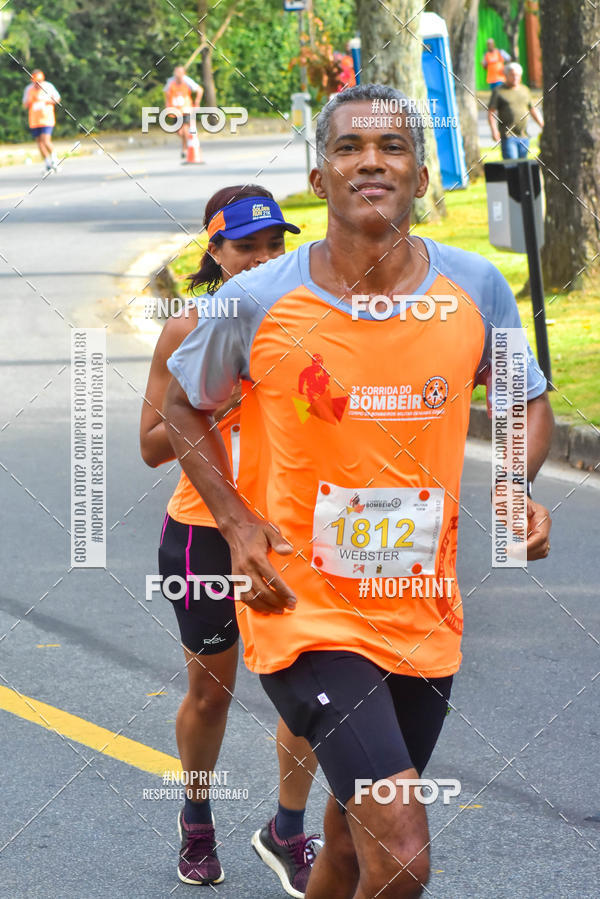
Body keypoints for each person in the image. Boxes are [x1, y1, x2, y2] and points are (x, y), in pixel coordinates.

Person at [164, 82, 554, 897]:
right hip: (300, 607)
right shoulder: (255, 300)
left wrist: (514, 482)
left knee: (347, 843)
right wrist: (235, 524)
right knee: (403, 848)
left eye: (392, 148)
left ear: (419, 176)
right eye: (348, 147)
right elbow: (180, 405)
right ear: (320, 178)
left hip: (422, 610)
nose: (370, 162)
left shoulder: (476, 289)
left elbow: (521, 401)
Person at [140, 184, 320, 893]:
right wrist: (228, 395)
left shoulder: (308, 321)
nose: (262, 259)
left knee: (312, 691)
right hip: (203, 537)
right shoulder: (189, 328)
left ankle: (288, 827)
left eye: (275, 245)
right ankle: (196, 819)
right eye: (246, 246)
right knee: (211, 694)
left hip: (287, 535)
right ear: (214, 251)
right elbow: (154, 443)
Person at [488, 62, 544, 160]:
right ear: (506, 75)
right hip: (508, 136)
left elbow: (533, 110)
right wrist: (494, 130)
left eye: (517, 75)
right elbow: (491, 112)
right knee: (512, 166)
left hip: (524, 136)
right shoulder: (499, 91)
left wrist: (543, 125)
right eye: (512, 75)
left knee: (523, 166)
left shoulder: (525, 90)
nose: (515, 77)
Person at [22, 70, 60, 172]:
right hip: (34, 120)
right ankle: (47, 163)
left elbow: (57, 99)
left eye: (39, 81)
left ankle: (54, 160)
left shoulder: (48, 86)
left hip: (47, 118)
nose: (37, 84)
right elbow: (25, 105)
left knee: (46, 140)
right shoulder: (29, 89)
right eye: (35, 82)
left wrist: (47, 101)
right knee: (39, 143)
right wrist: (31, 100)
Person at [164, 65, 204, 161]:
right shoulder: (171, 82)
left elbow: (200, 90)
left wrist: (197, 102)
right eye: (176, 72)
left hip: (186, 109)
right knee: (178, 131)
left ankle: (184, 149)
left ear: (183, 73)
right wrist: (167, 105)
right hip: (175, 111)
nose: (177, 75)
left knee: (185, 129)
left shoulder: (187, 81)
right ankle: (186, 143)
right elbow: (166, 93)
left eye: (179, 73)